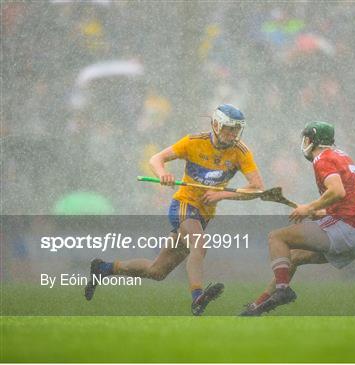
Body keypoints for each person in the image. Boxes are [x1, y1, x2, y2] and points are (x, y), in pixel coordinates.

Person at [85, 104, 264, 315]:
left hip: (204, 214)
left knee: (157, 271)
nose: (233, 134)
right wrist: (163, 174)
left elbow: (257, 188)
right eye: (229, 128)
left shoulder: (241, 152)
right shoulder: (193, 142)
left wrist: (222, 194)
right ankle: (198, 297)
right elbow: (156, 159)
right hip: (183, 205)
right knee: (200, 244)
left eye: (236, 129)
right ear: (216, 124)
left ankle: (104, 269)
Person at [241, 121, 355, 316]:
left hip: (344, 230)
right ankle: (258, 305)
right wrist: (317, 212)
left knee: (277, 237)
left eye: (306, 139)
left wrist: (309, 207)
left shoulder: (322, 159)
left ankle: (282, 290)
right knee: (292, 257)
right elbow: (347, 201)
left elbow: (337, 191)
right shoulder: (342, 157)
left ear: (312, 140)